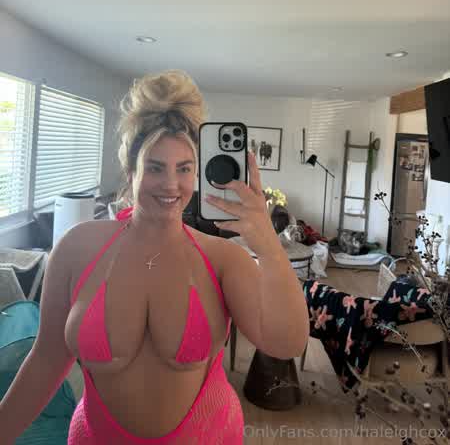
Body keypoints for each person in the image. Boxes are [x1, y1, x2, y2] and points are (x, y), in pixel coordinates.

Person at [0, 69, 309, 444]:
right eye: (155, 167)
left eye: (184, 168)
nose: (171, 184)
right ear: (131, 170)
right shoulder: (76, 248)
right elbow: (47, 359)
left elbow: (287, 343)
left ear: (196, 174)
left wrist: (269, 246)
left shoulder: (224, 260)